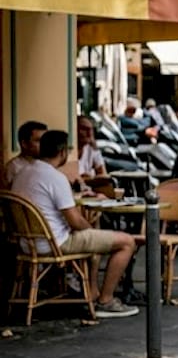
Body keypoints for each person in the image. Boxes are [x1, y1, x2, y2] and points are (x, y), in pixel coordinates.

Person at [10, 130, 139, 318]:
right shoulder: (55, 177)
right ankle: (106, 300)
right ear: (63, 152)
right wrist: (91, 230)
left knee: (95, 243)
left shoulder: (23, 173)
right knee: (127, 241)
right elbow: (75, 220)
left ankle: (93, 293)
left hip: (28, 244)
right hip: (55, 244)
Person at [2, 120, 47, 189]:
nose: (44, 144)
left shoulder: (45, 164)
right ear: (24, 144)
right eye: (38, 140)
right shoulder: (13, 167)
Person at [75, 116, 109, 182]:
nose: (89, 133)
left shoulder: (92, 148)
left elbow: (103, 175)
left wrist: (89, 178)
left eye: (91, 129)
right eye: (84, 129)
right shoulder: (67, 152)